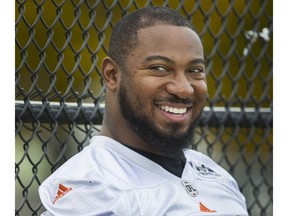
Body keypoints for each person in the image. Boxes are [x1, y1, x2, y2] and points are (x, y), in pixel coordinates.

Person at [39, 6, 248, 215]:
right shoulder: (89, 189)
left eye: (195, 71)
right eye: (159, 68)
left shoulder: (217, 176)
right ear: (112, 75)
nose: (184, 88)